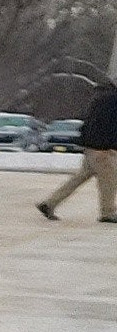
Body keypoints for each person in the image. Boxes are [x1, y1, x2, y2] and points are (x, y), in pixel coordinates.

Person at [44, 75, 117, 222]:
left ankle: (49, 203)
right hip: (102, 148)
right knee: (109, 180)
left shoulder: (100, 99)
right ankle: (107, 212)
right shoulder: (112, 101)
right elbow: (111, 127)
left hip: (92, 147)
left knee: (79, 178)